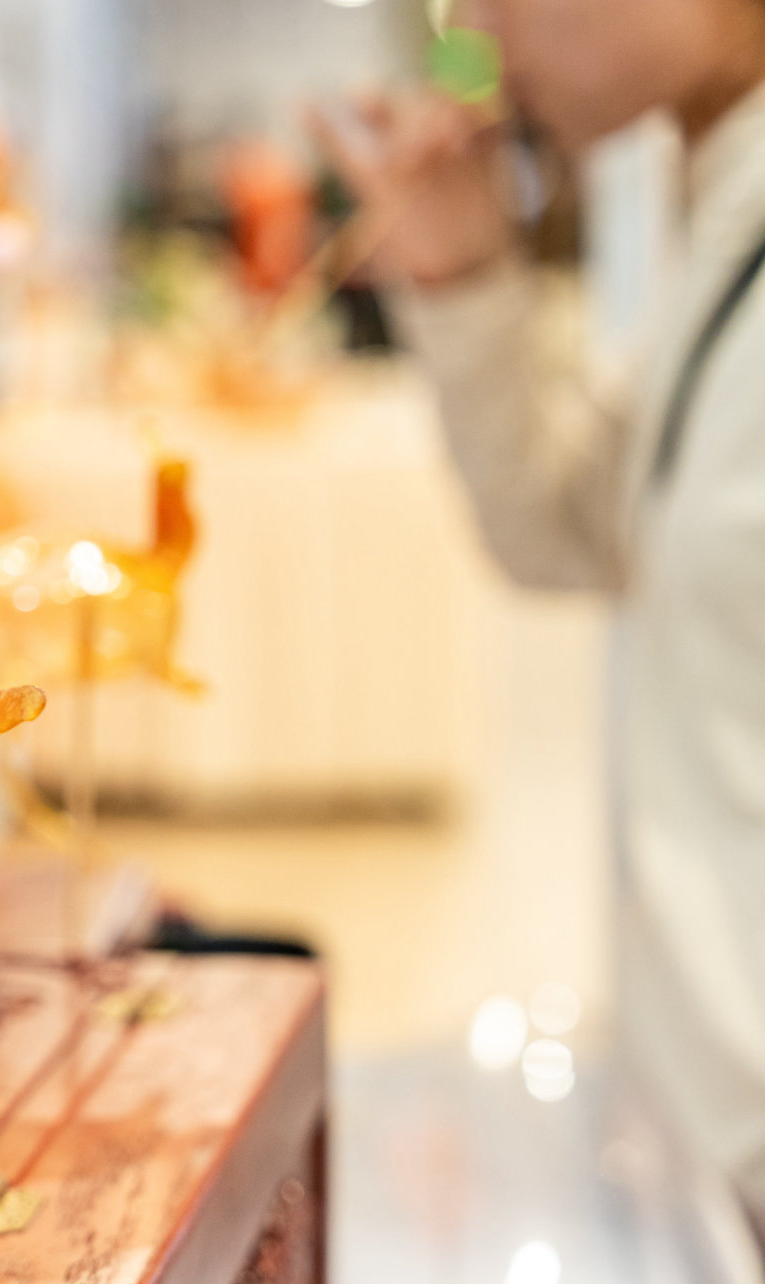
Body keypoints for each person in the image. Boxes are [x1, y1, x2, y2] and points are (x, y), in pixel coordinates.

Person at [314, 0, 765, 1216]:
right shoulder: (725, 208)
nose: (474, 33)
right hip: (705, 1152)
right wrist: (460, 268)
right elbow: (570, 529)